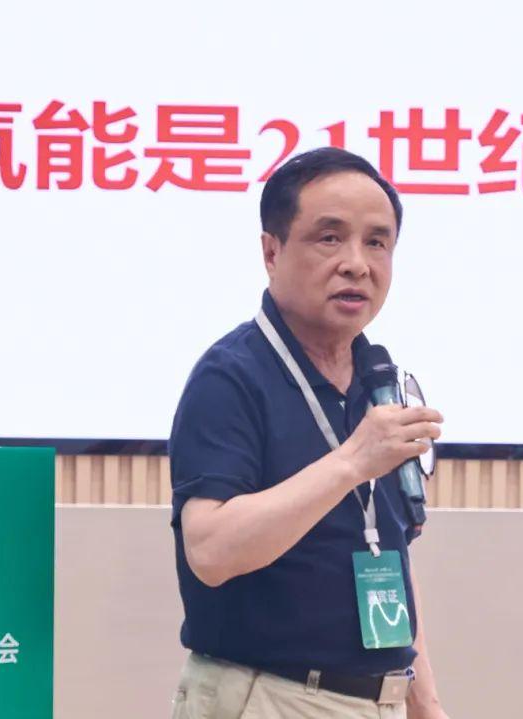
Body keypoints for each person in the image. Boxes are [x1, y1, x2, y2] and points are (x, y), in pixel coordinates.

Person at [169, 147, 449, 719]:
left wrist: (426, 705)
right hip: (268, 697)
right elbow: (211, 551)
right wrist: (352, 462)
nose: (357, 264)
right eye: (330, 238)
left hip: (380, 701)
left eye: (377, 242)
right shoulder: (231, 377)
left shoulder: (379, 383)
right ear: (271, 252)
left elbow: (388, 557)